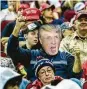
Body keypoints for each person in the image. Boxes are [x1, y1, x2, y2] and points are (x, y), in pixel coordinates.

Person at [7, 15, 82, 81]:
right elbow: (12, 51)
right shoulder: (32, 54)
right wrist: (17, 27)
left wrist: (78, 57)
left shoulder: (67, 56)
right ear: (41, 41)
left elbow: (75, 77)